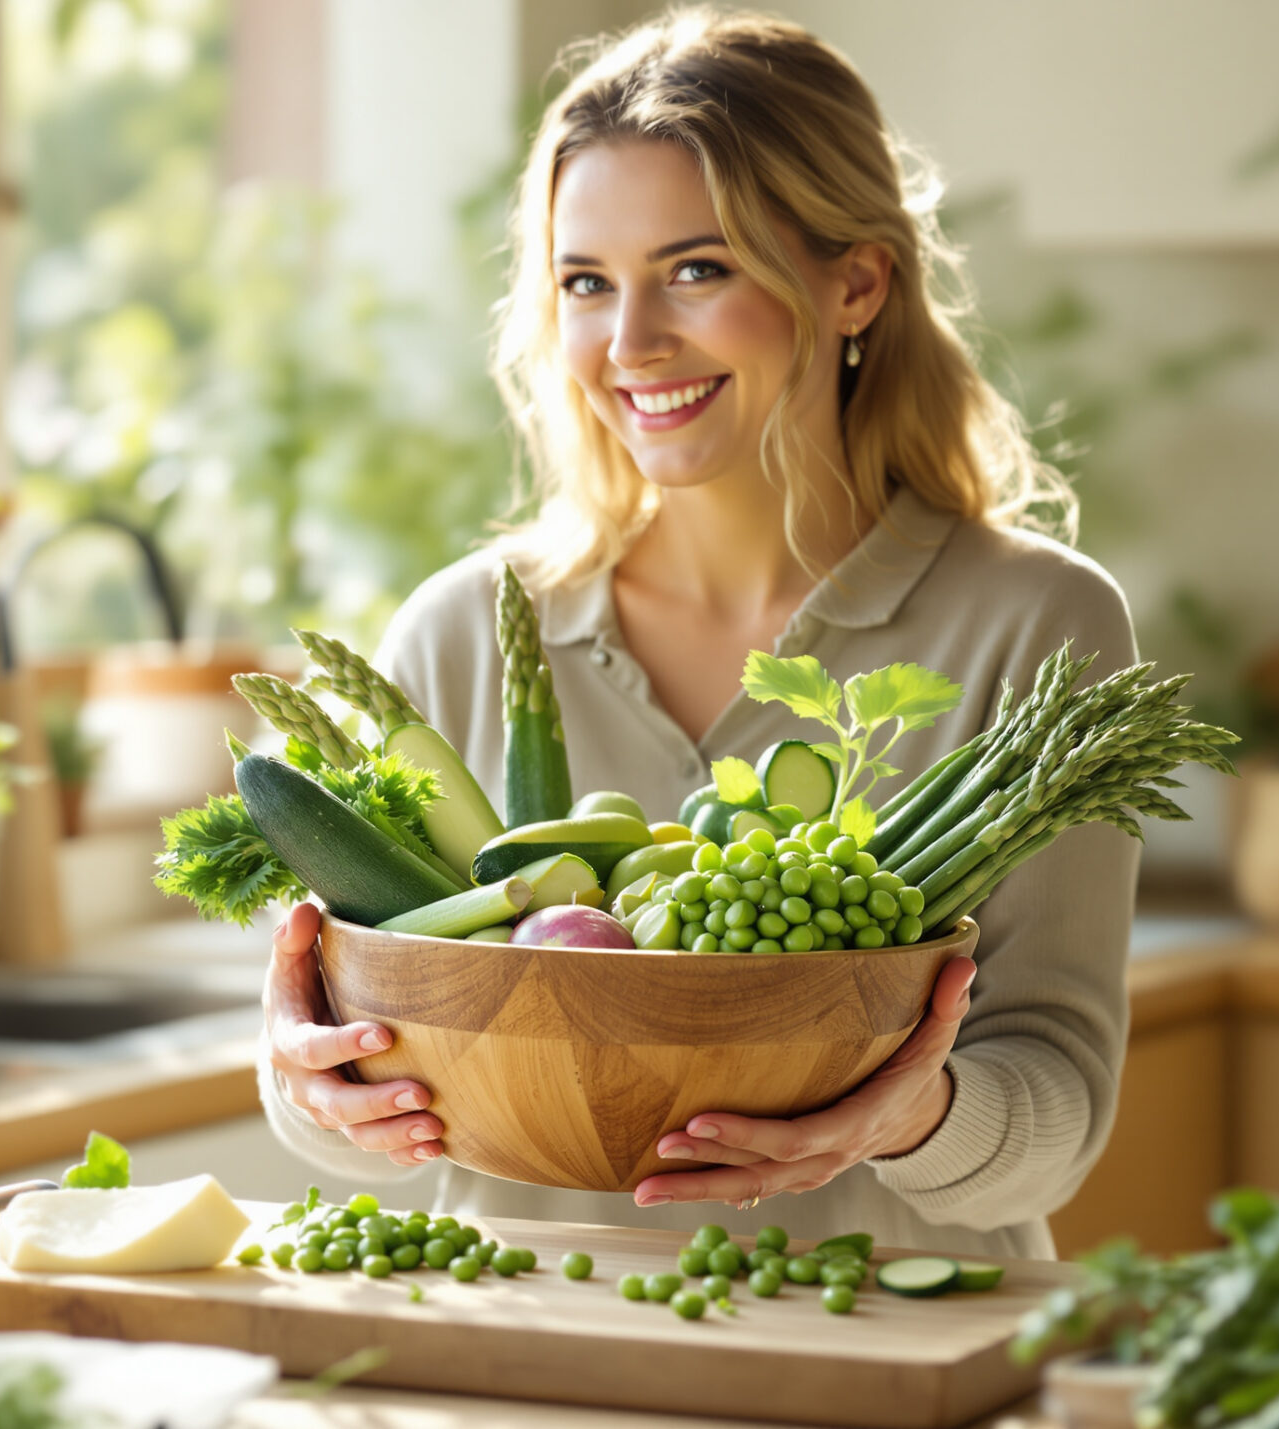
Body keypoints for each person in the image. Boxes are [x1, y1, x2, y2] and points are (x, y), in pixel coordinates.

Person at [258, 7, 1137, 1261]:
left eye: (696, 269)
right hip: (526, 1347)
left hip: (882, 1346)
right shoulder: (462, 631)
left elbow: (1060, 1106)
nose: (630, 345)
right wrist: (312, 1075)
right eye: (584, 283)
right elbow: (325, 1078)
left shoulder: (1035, 624)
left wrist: (901, 1116)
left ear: (855, 281)